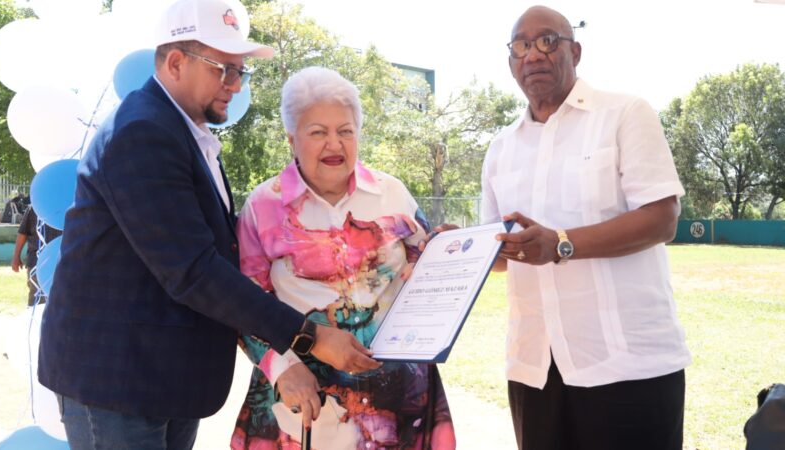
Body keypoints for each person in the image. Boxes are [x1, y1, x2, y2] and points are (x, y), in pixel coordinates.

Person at [37, 1, 379, 448]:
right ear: (176, 63)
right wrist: (308, 336)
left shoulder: (183, 132)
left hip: (162, 377)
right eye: (223, 69)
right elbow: (194, 269)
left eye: (241, 71)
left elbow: (213, 248)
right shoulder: (142, 132)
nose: (235, 85)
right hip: (119, 382)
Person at [480, 6, 691, 450]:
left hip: (628, 367)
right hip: (534, 369)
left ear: (575, 52)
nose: (533, 54)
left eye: (547, 41)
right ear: (510, 62)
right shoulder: (501, 148)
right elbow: (499, 258)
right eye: (521, 45)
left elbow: (662, 217)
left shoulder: (624, 113)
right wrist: (461, 250)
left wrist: (561, 244)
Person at [230, 66, 456, 449]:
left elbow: (424, 272)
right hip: (306, 402)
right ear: (291, 138)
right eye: (318, 132)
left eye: (345, 131)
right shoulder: (263, 206)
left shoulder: (392, 193)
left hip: (400, 398)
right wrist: (283, 368)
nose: (334, 144)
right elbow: (244, 302)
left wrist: (450, 252)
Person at [10, 205, 62, 306]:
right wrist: (16, 257)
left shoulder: (68, 204)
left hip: (62, 262)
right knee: (37, 301)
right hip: (37, 263)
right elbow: (23, 232)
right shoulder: (35, 207)